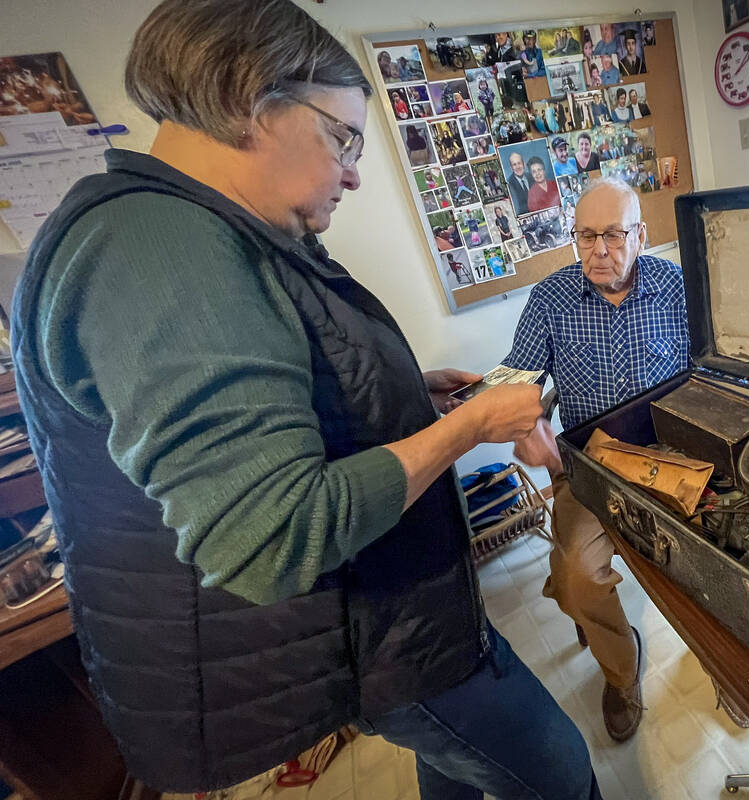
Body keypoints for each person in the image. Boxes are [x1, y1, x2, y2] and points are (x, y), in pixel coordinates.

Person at [10, 2, 601, 797]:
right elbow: (273, 533)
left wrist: (403, 394)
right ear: (250, 101)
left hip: (398, 626)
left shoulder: (207, 229)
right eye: (343, 139)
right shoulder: (162, 248)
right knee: (557, 768)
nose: (354, 172)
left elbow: (290, 399)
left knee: (459, 765)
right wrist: (466, 429)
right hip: (378, 635)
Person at [504, 178, 689, 742]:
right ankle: (621, 670)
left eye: (613, 235)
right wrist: (526, 424)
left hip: (672, 457)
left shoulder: (675, 286)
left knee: (717, 569)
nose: (599, 250)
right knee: (577, 580)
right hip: (590, 466)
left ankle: (727, 671)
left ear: (641, 235)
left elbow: (709, 368)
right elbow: (515, 385)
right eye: (586, 236)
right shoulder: (551, 299)